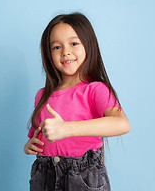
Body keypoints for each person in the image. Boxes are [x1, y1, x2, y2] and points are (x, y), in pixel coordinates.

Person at [24, 12, 130, 191]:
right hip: (44, 176)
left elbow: (122, 124)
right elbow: (39, 134)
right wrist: (30, 145)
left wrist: (67, 129)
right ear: (48, 54)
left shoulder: (95, 89)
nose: (65, 51)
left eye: (74, 43)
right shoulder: (42, 96)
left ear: (88, 45)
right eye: (56, 47)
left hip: (82, 178)